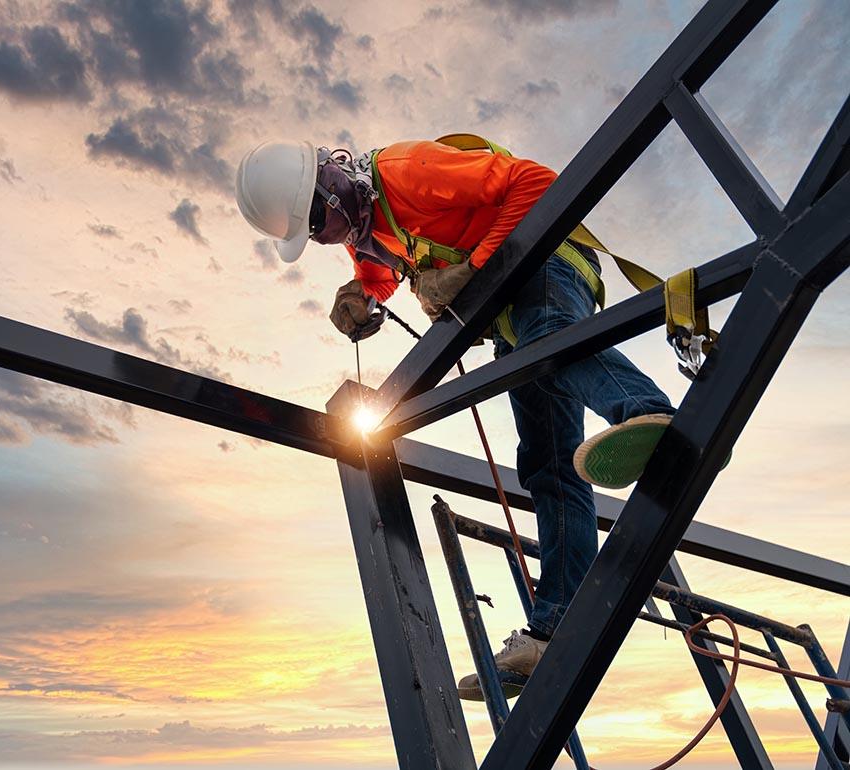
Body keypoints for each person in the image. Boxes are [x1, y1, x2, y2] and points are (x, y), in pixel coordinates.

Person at [234, 138, 678, 696]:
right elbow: (385, 270)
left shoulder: (404, 171)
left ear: (333, 184)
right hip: (510, 311)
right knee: (547, 464)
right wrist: (362, 294)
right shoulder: (369, 228)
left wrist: (475, 265)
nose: (325, 236)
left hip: (547, 266)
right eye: (313, 233)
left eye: (318, 220)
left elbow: (537, 182)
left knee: (549, 339)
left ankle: (648, 412)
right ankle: (553, 630)